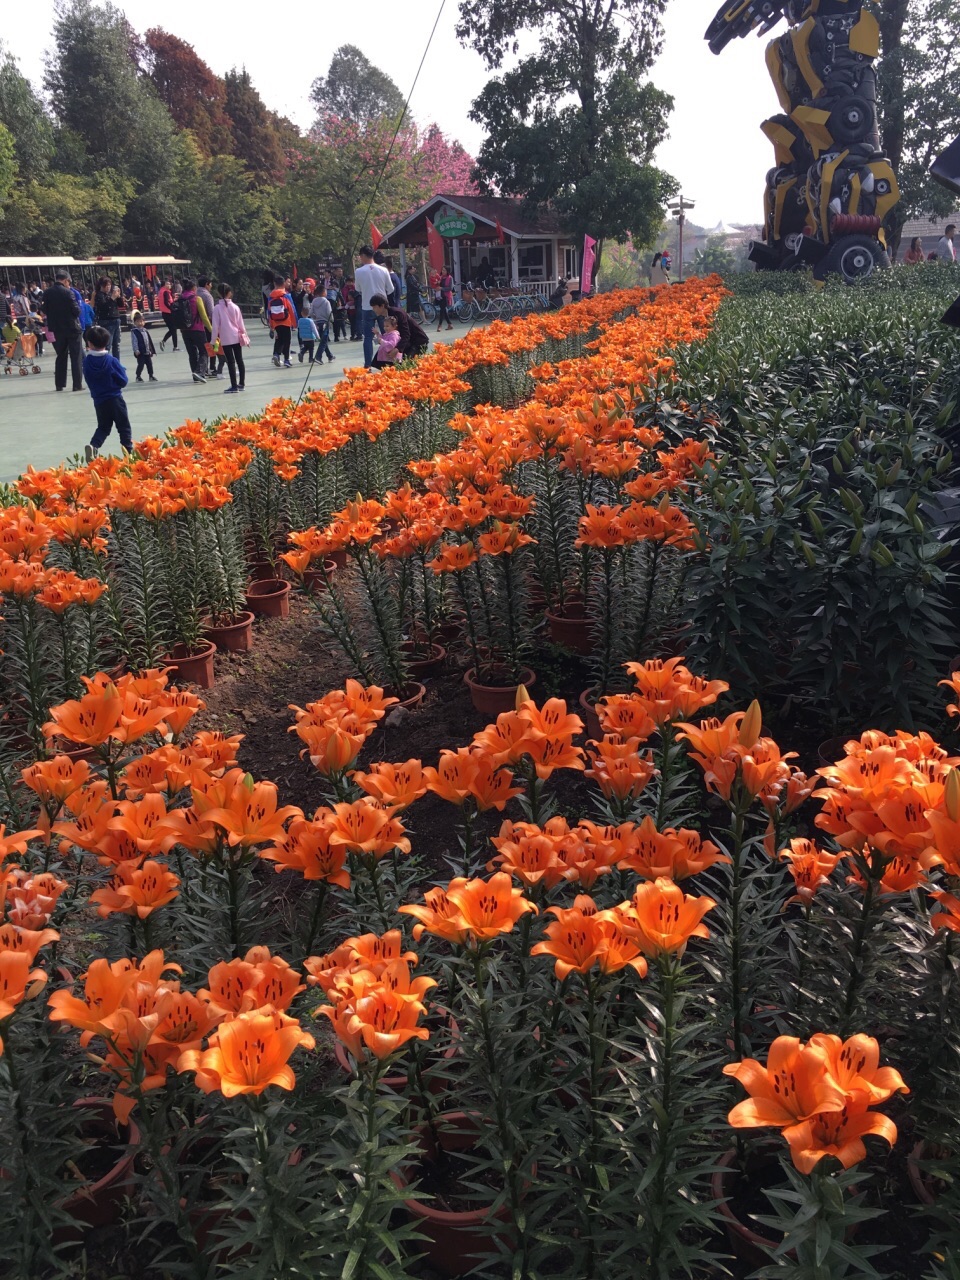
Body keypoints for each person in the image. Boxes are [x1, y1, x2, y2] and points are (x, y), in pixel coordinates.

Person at [82, 325, 132, 460]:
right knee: (123, 427)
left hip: (99, 400)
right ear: (107, 342)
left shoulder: (87, 362)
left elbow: (88, 379)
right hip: (115, 399)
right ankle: (129, 453)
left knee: (103, 427)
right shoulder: (111, 361)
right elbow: (123, 380)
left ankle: (94, 446)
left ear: (89, 343)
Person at [42, 269, 84, 392]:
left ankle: (59, 384)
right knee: (76, 356)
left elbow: (44, 309)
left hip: (57, 329)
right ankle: (77, 384)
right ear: (65, 280)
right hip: (72, 328)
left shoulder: (47, 293)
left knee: (61, 355)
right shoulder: (68, 293)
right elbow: (76, 310)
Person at [354, 246, 394, 368]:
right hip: (382, 307)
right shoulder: (383, 270)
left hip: (367, 307)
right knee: (387, 335)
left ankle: (367, 365)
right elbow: (391, 289)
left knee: (368, 338)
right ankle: (388, 362)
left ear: (364, 255)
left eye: (360, 256)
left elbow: (357, 289)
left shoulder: (359, 271)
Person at [210, 283, 249, 394]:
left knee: (230, 361)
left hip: (226, 338)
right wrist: (245, 336)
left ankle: (234, 386)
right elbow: (241, 324)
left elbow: (215, 326)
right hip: (236, 336)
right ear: (229, 293)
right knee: (239, 360)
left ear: (218, 293)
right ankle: (241, 383)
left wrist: (213, 341)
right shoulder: (235, 307)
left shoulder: (217, 308)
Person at [368, 294, 430, 359]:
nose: (373, 310)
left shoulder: (397, 313)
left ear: (382, 306)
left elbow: (406, 334)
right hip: (407, 343)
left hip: (417, 341)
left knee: (406, 365)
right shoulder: (387, 316)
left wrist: (397, 349)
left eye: (374, 307)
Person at [176, 278, 212, 383]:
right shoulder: (197, 299)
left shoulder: (180, 298)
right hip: (197, 329)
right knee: (204, 351)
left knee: (192, 354)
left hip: (184, 330)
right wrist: (211, 329)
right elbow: (204, 317)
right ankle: (200, 372)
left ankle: (195, 376)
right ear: (194, 288)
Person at [267, 276, 297, 367]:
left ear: (275, 284)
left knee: (279, 339)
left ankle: (276, 354)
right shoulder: (286, 296)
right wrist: (295, 322)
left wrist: (271, 325)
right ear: (284, 284)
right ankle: (287, 360)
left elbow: (269, 311)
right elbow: (292, 309)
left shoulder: (270, 297)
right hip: (286, 321)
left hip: (276, 322)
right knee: (287, 341)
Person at [94, 277, 122, 358]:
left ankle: (116, 363)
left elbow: (120, 304)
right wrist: (112, 298)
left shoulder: (111, 294)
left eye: (109, 285)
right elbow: (103, 307)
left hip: (116, 319)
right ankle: (106, 362)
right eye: (106, 285)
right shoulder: (99, 295)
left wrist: (119, 296)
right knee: (107, 344)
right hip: (107, 321)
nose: (108, 287)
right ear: (101, 286)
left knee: (117, 344)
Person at [196, 278, 217, 377]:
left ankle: (204, 368)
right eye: (210, 284)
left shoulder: (195, 293)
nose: (211, 286)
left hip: (196, 326)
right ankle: (213, 367)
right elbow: (212, 313)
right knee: (213, 345)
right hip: (207, 325)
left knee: (202, 348)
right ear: (206, 284)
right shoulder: (207, 295)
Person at [129, 311, 158, 382]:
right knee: (141, 364)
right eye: (138, 321)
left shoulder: (145, 330)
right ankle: (138, 376)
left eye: (142, 321)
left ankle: (151, 375)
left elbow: (149, 341)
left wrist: (151, 350)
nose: (140, 323)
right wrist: (136, 350)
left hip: (147, 351)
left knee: (150, 364)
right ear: (135, 322)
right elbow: (134, 342)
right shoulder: (134, 331)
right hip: (140, 352)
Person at [308, 287, 335, 362]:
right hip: (325, 323)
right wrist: (331, 320)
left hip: (318, 322)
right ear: (323, 293)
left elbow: (310, 313)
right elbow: (329, 313)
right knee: (324, 341)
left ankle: (330, 356)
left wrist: (315, 317)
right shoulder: (326, 302)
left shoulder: (314, 301)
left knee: (323, 340)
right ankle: (318, 356)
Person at [157, 278, 179, 351]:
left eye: (170, 284)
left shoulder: (161, 291)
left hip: (165, 313)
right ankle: (175, 347)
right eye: (168, 284)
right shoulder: (165, 292)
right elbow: (166, 303)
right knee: (174, 330)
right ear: (164, 285)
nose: (169, 285)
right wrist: (172, 309)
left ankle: (163, 341)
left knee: (172, 330)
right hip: (168, 313)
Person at [435, 265, 454, 332]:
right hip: (440, 295)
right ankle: (450, 324)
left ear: (447, 271)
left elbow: (450, 288)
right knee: (443, 310)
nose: (443, 271)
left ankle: (439, 325)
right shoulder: (440, 277)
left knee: (442, 310)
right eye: (442, 270)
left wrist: (442, 288)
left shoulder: (450, 278)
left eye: (444, 270)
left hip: (446, 296)